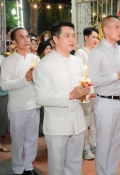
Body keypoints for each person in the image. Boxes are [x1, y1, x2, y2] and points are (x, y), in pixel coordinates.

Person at [33, 21, 90, 175]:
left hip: (77, 121)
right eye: (67, 36)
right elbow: (40, 98)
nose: (72, 39)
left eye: (73, 36)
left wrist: (88, 91)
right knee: (57, 166)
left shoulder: (77, 61)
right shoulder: (45, 65)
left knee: (75, 163)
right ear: (56, 40)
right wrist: (70, 95)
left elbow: (83, 84)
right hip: (57, 123)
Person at [88, 15, 120, 175]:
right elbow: (92, 80)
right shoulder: (97, 52)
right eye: (116, 27)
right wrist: (118, 76)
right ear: (105, 30)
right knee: (104, 143)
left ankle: (111, 172)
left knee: (117, 142)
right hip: (106, 103)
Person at [0, 27, 40, 175]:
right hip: (18, 106)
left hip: (34, 103)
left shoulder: (36, 59)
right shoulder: (8, 61)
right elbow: (5, 85)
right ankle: (17, 169)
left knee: (32, 138)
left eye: (27, 37)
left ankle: (28, 166)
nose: (26, 40)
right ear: (14, 42)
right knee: (18, 140)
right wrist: (25, 80)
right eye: (21, 37)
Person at [75, 27, 98, 160]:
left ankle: (94, 143)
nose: (96, 40)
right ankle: (85, 147)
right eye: (93, 37)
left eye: (97, 38)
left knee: (95, 119)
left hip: (98, 91)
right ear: (86, 37)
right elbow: (80, 74)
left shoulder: (97, 53)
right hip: (87, 91)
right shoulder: (80, 53)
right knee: (85, 120)